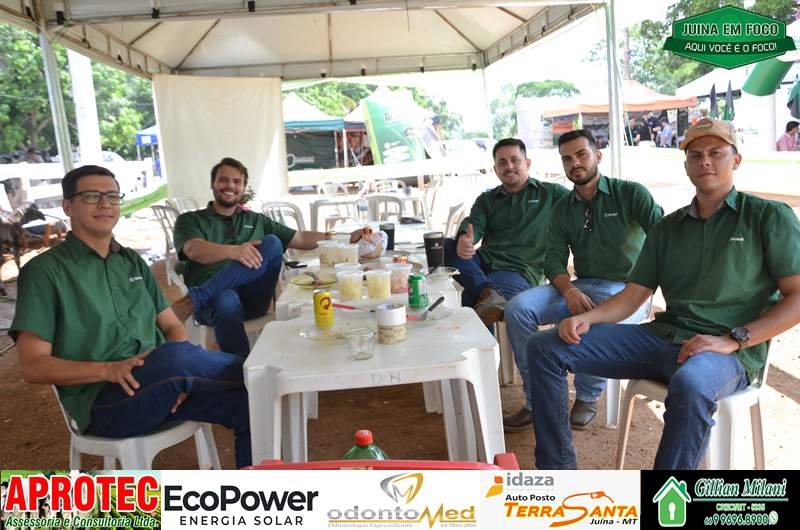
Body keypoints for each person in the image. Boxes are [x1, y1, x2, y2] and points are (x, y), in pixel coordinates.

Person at [526, 118, 800, 469]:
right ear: (686, 166)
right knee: (545, 347)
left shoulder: (767, 217)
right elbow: (634, 294)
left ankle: (669, 498)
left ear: (736, 160)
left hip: (725, 350)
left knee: (692, 384)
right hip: (662, 338)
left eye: (716, 152)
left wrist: (734, 339)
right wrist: (587, 318)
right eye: (695, 155)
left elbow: (796, 296)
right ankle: (557, 472)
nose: (705, 161)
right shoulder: (668, 228)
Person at [10, 165, 253, 468]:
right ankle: (261, 370)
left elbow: (172, 326)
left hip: (162, 382)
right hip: (104, 402)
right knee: (183, 359)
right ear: (67, 206)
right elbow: (33, 366)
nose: (105, 204)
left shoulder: (131, 262)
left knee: (250, 404)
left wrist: (174, 379)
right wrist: (109, 370)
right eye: (92, 196)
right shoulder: (44, 272)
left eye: (112, 196)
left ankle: (255, 492)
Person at [503, 129, 663, 432]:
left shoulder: (630, 193)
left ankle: (587, 396)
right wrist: (569, 290)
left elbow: (664, 238)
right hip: (580, 285)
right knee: (517, 309)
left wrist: (647, 285)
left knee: (599, 317)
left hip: (626, 289)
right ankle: (538, 400)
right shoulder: (563, 207)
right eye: (567, 158)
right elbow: (553, 258)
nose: (574, 162)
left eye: (581, 154)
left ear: (598, 156)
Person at [171, 157, 361, 356]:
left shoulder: (256, 220)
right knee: (225, 299)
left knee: (272, 242)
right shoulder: (190, 220)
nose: (230, 186)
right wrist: (233, 251)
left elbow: (300, 237)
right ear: (213, 184)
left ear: (244, 188)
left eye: (237, 181)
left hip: (252, 298)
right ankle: (238, 370)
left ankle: (192, 300)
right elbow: (193, 249)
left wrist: (345, 237)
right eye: (223, 180)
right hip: (212, 304)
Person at [443, 139, 569, 326]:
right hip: (483, 261)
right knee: (444, 246)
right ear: (495, 169)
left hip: (519, 269)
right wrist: (465, 238)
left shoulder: (551, 193)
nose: (509, 166)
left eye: (515, 160)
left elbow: (582, 206)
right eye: (502, 162)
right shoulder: (487, 199)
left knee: (474, 296)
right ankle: (487, 291)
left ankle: (487, 302)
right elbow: (474, 223)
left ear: (527, 163)